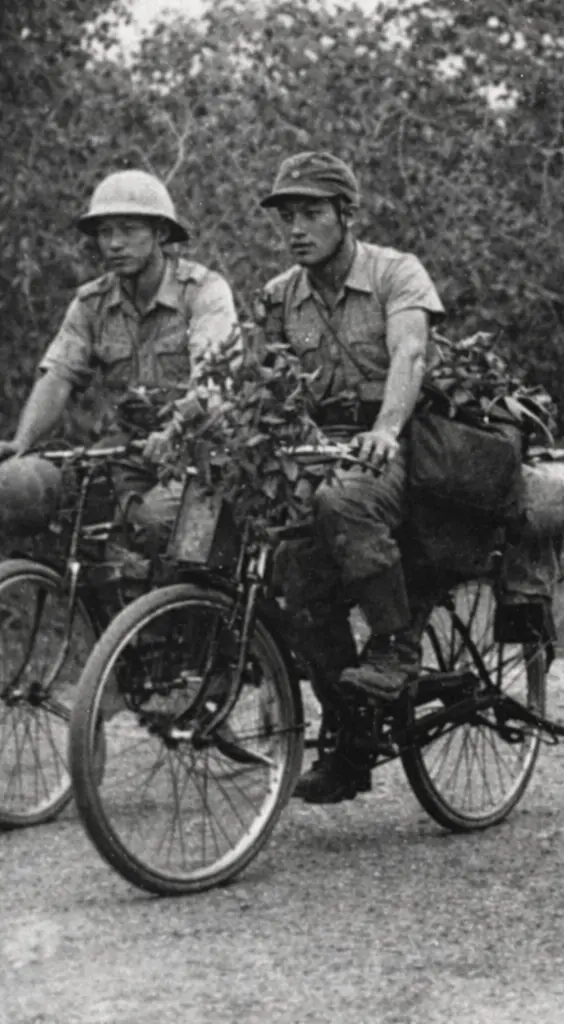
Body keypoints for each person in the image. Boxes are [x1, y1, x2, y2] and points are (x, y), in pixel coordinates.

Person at [254, 151, 445, 803]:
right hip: (316, 450)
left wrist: (386, 429)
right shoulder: (280, 296)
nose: (296, 229)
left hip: (398, 444)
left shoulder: (396, 272)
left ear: (345, 214)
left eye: (310, 213)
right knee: (291, 562)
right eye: (288, 217)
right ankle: (350, 733)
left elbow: (410, 353)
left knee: (345, 499)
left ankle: (394, 646)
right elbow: (266, 386)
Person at [0, 169, 237, 551]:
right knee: (22, 495)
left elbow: (213, 381)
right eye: (105, 233)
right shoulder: (93, 302)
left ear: (161, 233)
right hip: (128, 451)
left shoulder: (203, 292)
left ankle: (193, 606)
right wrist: (22, 440)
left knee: (160, 530)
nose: (113, 244)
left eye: (128, 230)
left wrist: (174, 432)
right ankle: (99, 604)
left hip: (204, 456)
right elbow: (59, 374)